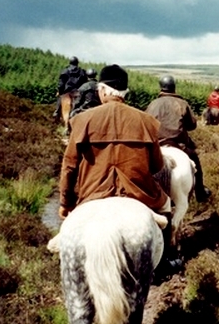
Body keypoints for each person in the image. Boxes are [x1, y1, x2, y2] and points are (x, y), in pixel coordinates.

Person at [58, 64, 182, 270]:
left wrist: (65, 202)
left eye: (99, 90)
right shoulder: (146, 121)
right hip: (138, 192)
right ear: (124, 92)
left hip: (92, 193)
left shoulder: (81, 120)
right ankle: (166, 260)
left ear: (104, 90)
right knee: (167, 205)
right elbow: (157, 165)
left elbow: (69, 167)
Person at [146, 75, 212, 202]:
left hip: (157, 145)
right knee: (194, 159)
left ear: (161, 88)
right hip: (178, 144)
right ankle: (200, 192)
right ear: (174, 87)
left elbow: (146, 124)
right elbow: (192, 125)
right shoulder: (182, 104)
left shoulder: (152, 104)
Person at [54, 56, 87, 129]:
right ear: (77, 63)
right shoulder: (82, 71)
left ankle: (56, 112)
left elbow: (61, 84)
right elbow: (85, 83)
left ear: (70, 62)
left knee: (60, 98)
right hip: (78, 92)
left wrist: (59, 91)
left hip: (67, 91)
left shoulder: (65, 71)